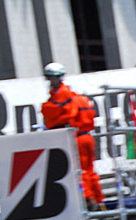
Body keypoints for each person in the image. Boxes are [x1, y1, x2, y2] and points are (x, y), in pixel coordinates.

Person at [40, 62, 103, 209]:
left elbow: (52, 112)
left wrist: (46, 113)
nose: (51, 81)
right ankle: (97, 198)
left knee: (82, 170)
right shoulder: (76, 96)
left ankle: (88, 200)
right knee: (89, 169)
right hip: (86, 136)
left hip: (78, 137)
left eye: (53, 78)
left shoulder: (62, 94)